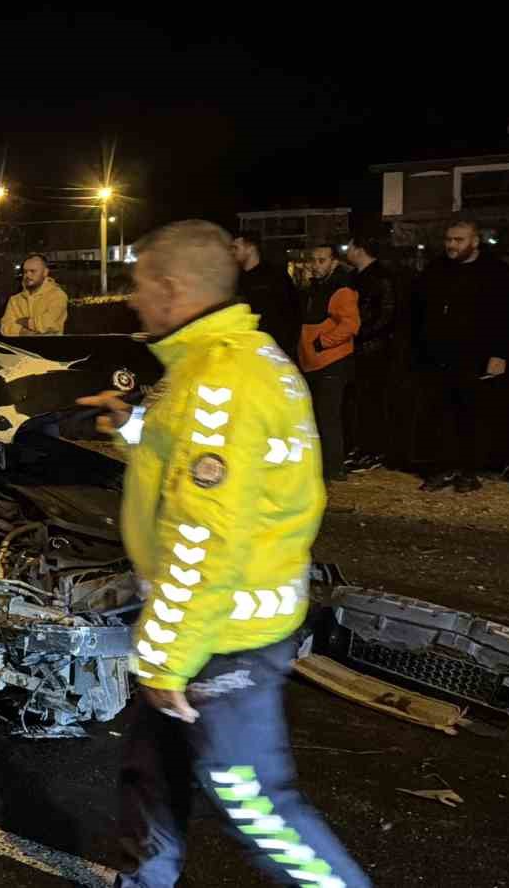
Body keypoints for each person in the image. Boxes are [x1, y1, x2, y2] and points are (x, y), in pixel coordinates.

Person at [78, 219, 369, 888]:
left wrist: (168, 656)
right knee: (152, 779)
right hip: (203, 627)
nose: (131, 299)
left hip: (223, 637)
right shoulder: (230, 362)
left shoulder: (219, 382)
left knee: (259, 809)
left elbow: (204, 537)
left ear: (171, 287)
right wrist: (131, 425)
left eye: (138, 285)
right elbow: (194, 455)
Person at [405, 220, 509, 493]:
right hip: (438, 357)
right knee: (440, 414)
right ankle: (443, 468)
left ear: (474, 242)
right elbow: (418, 310)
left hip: (475, 357)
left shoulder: (496, 272)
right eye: (449, 240)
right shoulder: (437, 269)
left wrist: (500, 354)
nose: (452, 245)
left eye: (459, 240)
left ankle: (469, 471)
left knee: (472, 415)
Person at [298, 244, 360, 484]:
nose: (315, 265)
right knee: (323, 416)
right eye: (313, 260)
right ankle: (328, 467)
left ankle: (333, 469)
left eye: (321, 260)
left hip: (331, 361)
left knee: (328, 417)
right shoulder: (317, 287)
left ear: (334, 262)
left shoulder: (340, 289)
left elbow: (351, 325)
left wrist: (321, 343)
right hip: (317, 360)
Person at [341, 237, 400, 473]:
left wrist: (358, 332)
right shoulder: (358, 277)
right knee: (359, 402)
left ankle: (373, 451)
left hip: (374, 349)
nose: (347, 251)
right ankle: (363, 448)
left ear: (359, 249)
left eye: (349, 247)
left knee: (371, 402)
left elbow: (386, 314)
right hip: (361, 347)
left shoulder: (379, 277)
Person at [231, 233, 302, 361]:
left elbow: (293, 311)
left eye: (236, 248)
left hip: (274, 350)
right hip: (245, 350)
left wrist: (287, 347)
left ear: (250, 248)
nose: (232, 252)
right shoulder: (235, 279)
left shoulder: (276, 276)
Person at [1, 253, 68, 336]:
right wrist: (22, 332)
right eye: (25, 272)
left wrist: (24, 322)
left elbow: (49, 323)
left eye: (33, 271)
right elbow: (5, 326)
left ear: (45, 272)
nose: (28, 275)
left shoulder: (58, 295)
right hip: (19, 345)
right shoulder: (14, 300)